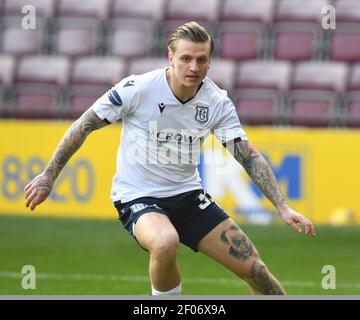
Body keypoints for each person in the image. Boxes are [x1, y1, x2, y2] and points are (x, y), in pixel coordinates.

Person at [24, 21, 316, 295]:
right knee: (165, 242)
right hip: (138, 196)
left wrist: (282, 206)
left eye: (202, 60)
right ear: (170, 57)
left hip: (189, 198)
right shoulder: (137, 89)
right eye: (186, 58)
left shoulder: (216, 102)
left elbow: (248, 157)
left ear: (210, 61)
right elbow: (84, 125)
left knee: (257, 271)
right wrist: (49, 175)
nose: (194, 67)